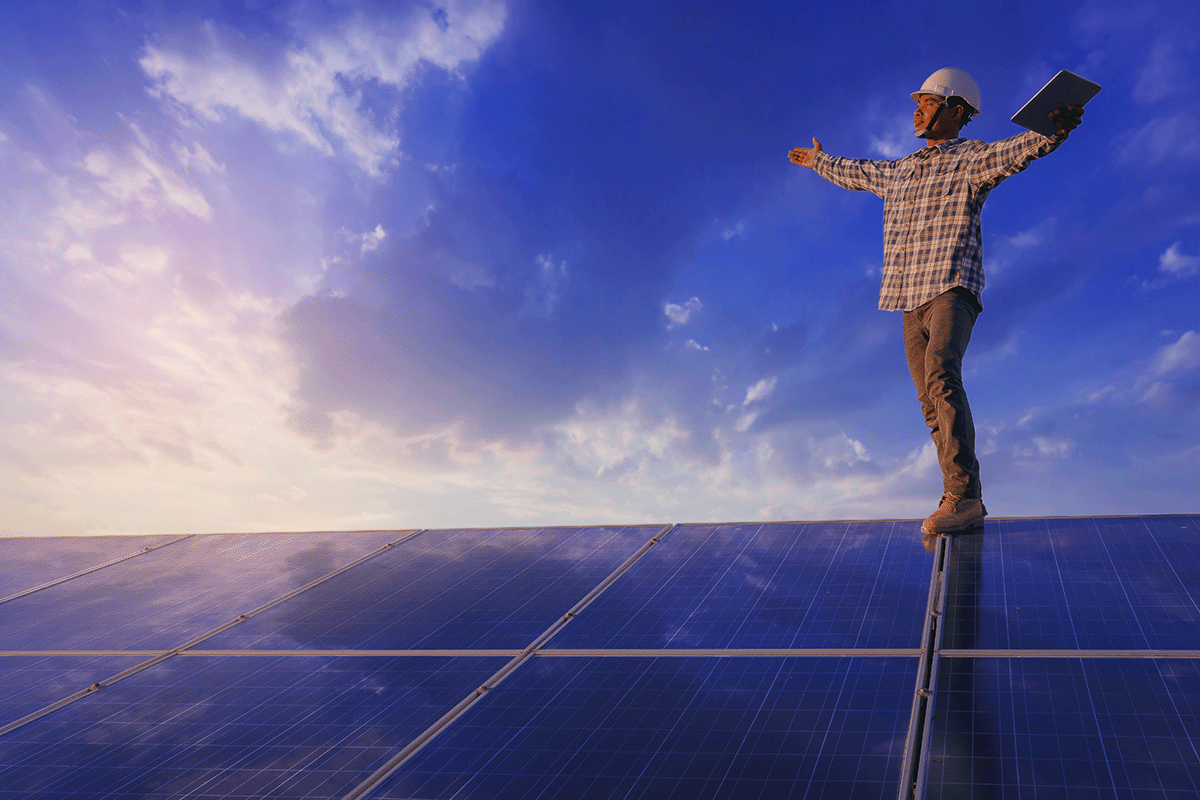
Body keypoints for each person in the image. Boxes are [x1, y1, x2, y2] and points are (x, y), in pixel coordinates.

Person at [788, 68, 1083, 534]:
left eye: (927, 102)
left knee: (943, 374)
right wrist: (821, 162)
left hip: (950, 287)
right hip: (908, 296)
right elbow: (860, 172)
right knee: (928, 400)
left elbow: (1019, 149)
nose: (917, 110)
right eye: (918, 103)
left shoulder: (971, 160)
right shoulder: (902, 170)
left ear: (956, 110)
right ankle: (957, 493)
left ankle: (964, 496)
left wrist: (1054, 128)